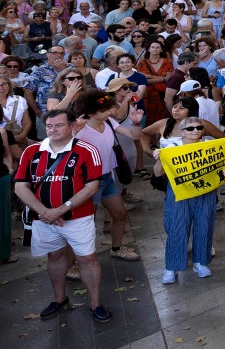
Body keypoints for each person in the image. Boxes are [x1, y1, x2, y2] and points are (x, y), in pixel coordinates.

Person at [14, 108, 110, 322]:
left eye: (59, 125)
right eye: (49, 126)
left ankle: (95, 303)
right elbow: (20, 186)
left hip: (78, 218)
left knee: (87, 258)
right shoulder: (32, 152)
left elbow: (92, 186)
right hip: (44, 218)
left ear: (72, 126)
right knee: (54, 256)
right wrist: (44, 212)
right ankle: (59, 299)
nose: (53, 130)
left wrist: (61, 209)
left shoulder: (86, 150)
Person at [73, 88, 142, 262]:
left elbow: (134, 135)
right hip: (87, 181)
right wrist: (73, 133)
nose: (109, 112)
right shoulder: (79, 128)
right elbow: (64, 150)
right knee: (86, 222)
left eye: (109, 109)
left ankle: (117, 248)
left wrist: (136, 123)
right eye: (104, 110)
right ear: (89, 111)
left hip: (107, 177)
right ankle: (77, 260)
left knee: (119, 213)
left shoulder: (110, 122)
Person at [152, 116, 217, 284]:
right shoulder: (171, 147)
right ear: (182, 131)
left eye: (199, 127)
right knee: (177, 227)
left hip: (205, 191)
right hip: (179, 192)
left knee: (205, 225)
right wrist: (160, 158)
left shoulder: (210, 146)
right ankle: (171, 267)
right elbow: (158, 173)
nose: (195, 130)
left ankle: (200, 262)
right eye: (190, 128)